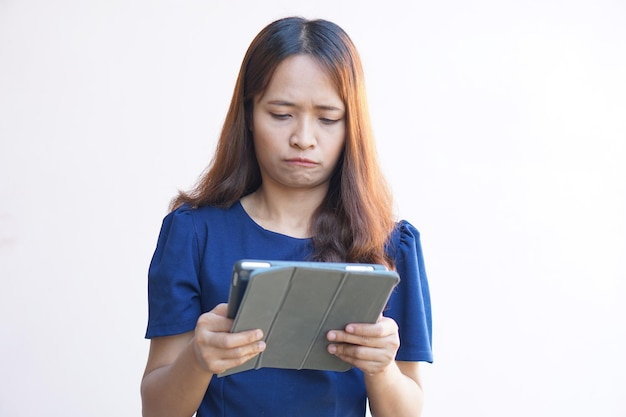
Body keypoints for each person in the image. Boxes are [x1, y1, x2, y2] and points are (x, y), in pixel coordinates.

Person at [141, 16, 433, 417]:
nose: (304, 138)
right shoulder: (193, 232)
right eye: (281, 114)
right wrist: (198, 358)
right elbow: (157, 410)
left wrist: (381, 368)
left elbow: (409, 410)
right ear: (248, 114)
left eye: (328, 118)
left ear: (353, 127)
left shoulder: (389, 242)